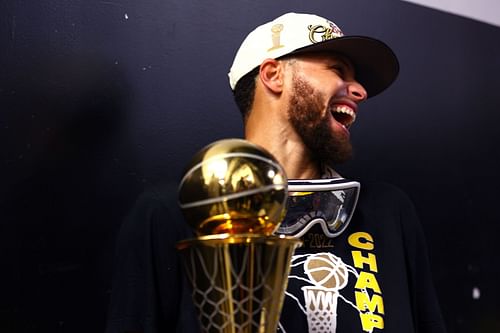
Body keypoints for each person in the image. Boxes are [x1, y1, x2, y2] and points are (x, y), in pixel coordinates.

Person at [106, 12, 446, 333]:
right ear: (273, 75)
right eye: (338, 69)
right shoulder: (173, 213)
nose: (359, 91)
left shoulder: (386, 212)